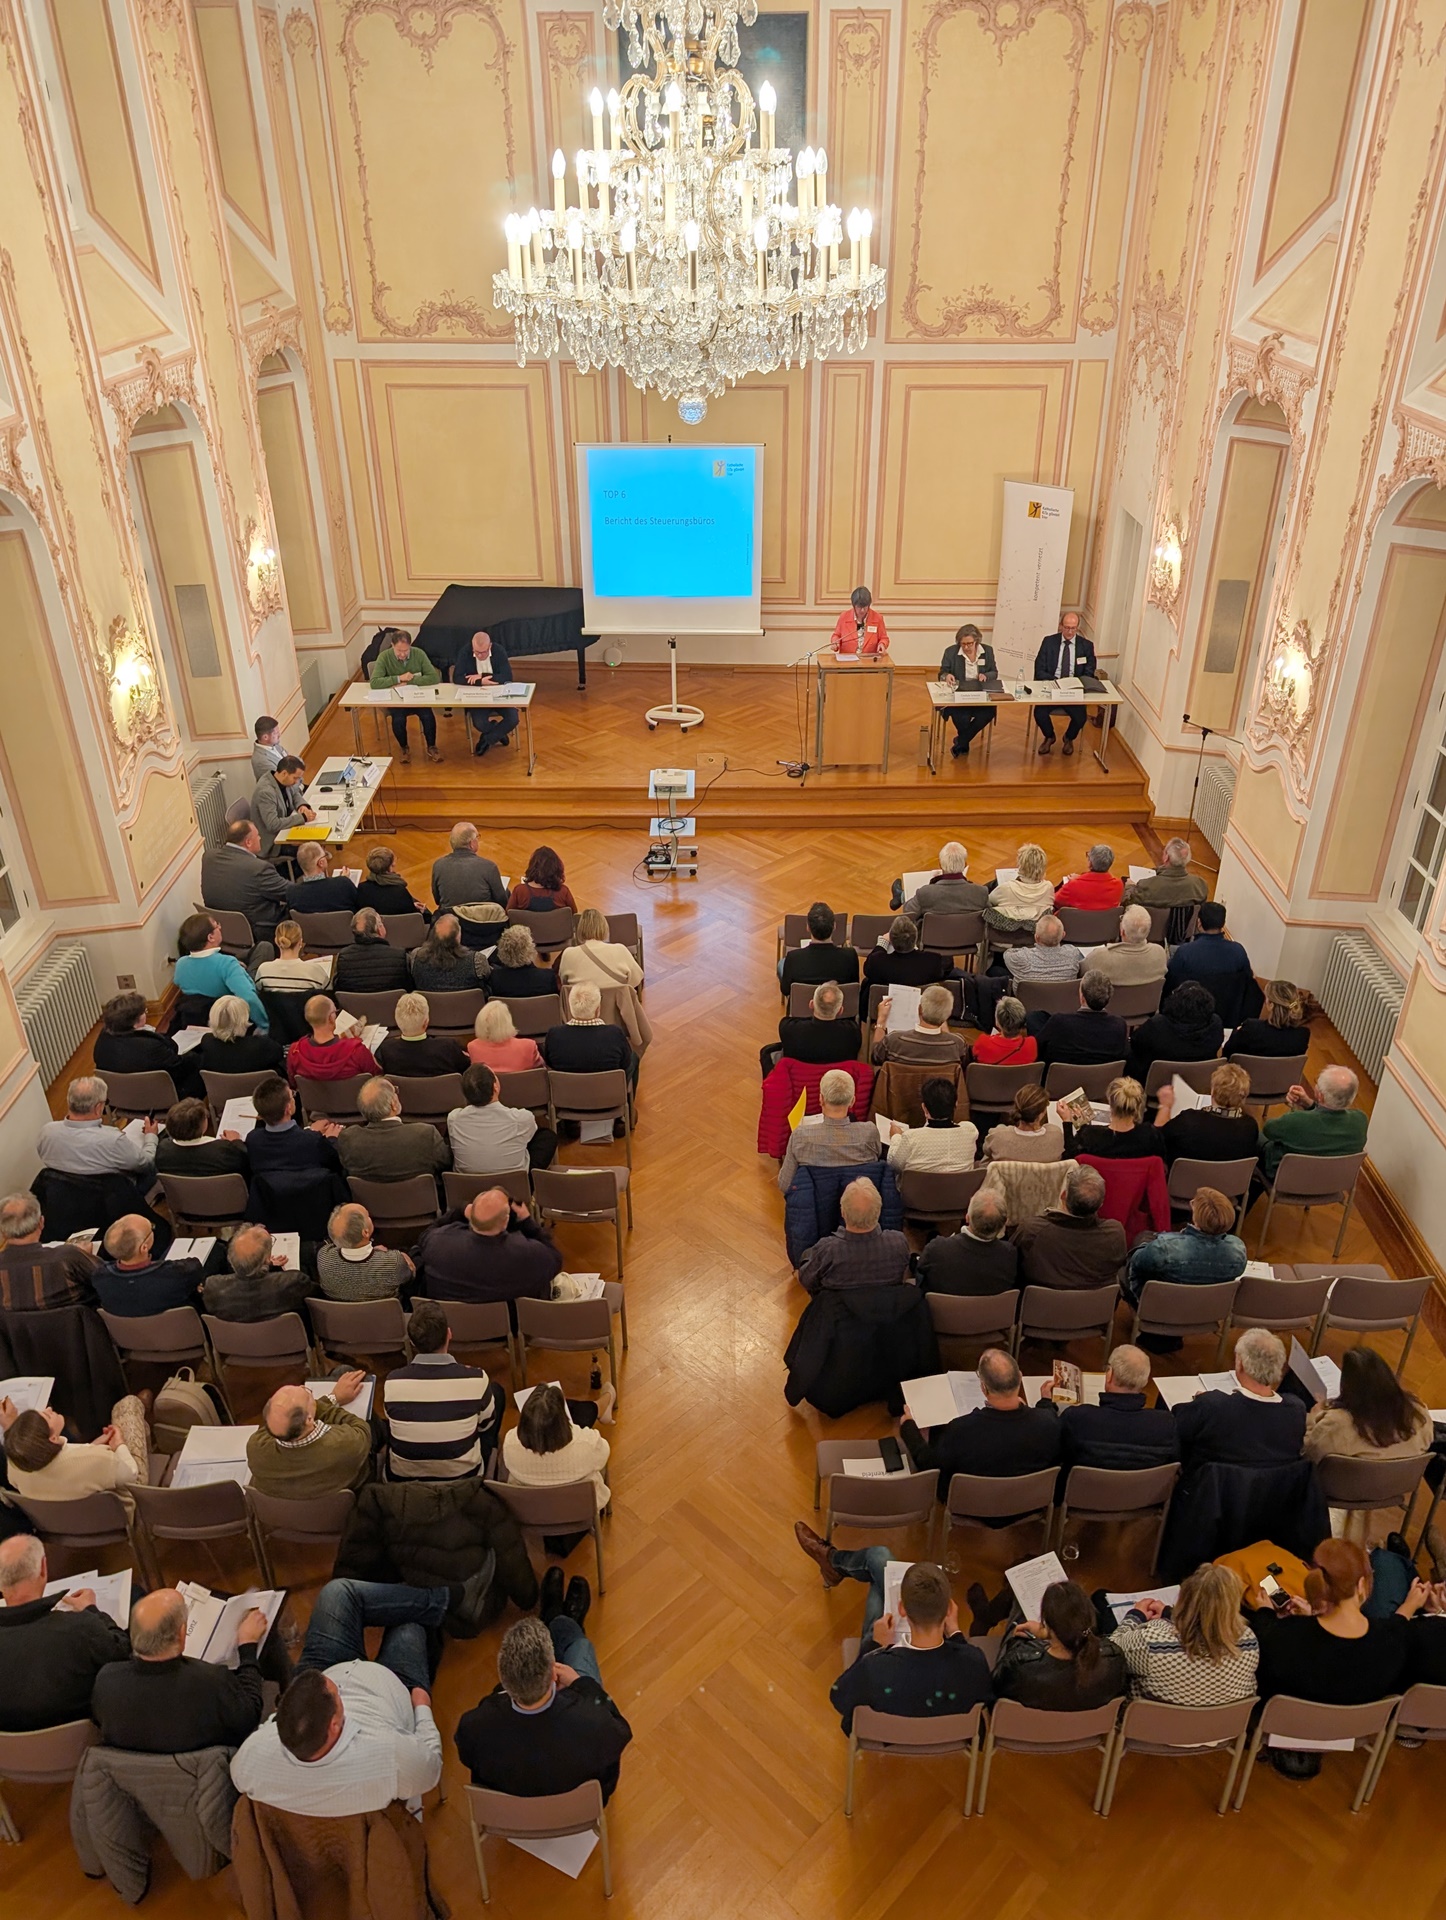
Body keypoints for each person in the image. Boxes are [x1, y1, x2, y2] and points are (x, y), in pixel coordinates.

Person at [229, 1572, 496, 1814]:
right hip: (395, 1687)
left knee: (337, 1593)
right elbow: (430, 1769)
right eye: (336, 1694)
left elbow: (240, 1772)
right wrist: (422, 1708)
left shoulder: (251, 1759)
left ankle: (444, 1597)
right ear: (335, 1725)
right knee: (409, 1623)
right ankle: (449, 1598)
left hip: (327, 1675)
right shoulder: (390, 1757)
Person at [454, 1601, 633, 1803]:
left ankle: (552, 1612)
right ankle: (556, 1616)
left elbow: (468, 1757)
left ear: (504, 1681)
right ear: (554, 1675)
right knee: (577, 1642)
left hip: (513, 1817)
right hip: (577, 1812)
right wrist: (581, 1683)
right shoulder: (596, 1723)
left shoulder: (473, 1726)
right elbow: (621, 1729)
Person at [801, 1548, 993, 1734]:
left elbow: (839, 1697)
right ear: (949, 1610)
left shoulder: (874, 1667)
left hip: (881, 1732)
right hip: (946, 1735)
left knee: (878, 1562)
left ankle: (836, 1563)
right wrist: (956, 1634)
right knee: (879, 1566)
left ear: (902, 1609)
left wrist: (875, 1646)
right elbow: (983, 1693)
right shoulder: (974, 1661)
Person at [1244, 1539, 1421, 1722]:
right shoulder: (1393, 1641)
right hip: (1353, 1730)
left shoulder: (1280, 1636)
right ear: (1361, 1585)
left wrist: (1265, 1611)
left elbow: (1269, 1643)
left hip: (1284, 1727)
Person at [93, 1586, 268, 1753]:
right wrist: (248, 1646)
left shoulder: (106, 1680)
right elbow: (250, 1716)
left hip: (135, 1772)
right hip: (204, 1769)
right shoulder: (212, 1681)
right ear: (182, 1633)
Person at [0, 1536, 129, 1733]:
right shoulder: (80, 1628)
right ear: (43, 1568)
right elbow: (124, 1653)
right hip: (84, 1742)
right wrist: (92, 1610)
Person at [900, 1347, 1062, 1494]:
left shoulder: (960, 1430)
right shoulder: (1048, 1422)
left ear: (983, 1388)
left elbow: (930, 1465)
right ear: (1019, 1377)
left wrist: (908, 1428)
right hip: (1028, 1501)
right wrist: (1046, 1401)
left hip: (971, 1505)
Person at [1110, 1563, 1258, 1705]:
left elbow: (1111, 1654)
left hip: (1151, 1722)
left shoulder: (1151, 1642)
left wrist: (1135, 1616)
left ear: (1184, 1599)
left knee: (1101, 1599)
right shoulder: (1249, 1641)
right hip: (1220, 1723)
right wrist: (1169, 1614)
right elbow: (1208, 1624)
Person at [385, 1300, 503, 1478]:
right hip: (465, 1479)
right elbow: (486, 1425)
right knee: (496, 1393)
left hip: (403, 1480)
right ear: (449, 1334)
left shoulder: (392, 1382)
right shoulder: (477, 1378)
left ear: (412, 1342)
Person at [1173, 1327, 1305, 1470]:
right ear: (1279, 1367)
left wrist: (1200, 1403)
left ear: (1240, 1363)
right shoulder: (1296, 1411)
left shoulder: (1213, 1406)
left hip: (1212, 1482)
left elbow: (1177, 1425)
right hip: (1274, 1484)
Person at [1039, 1344, 1179, 1470]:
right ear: (1145, 1381)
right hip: (1141, 1491)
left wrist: (1046, 1404)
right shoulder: (1166, 1424)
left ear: (1109, 1375)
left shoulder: (1078, 1418)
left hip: (1084, 1489)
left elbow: (1049, 1443)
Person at [413, 1190, 562, 1305]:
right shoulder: (527, 1253)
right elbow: (555, 1259)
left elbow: (425, 1236)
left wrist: (459, 1211)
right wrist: (526, 1221)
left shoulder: (439, 1242)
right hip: (509, 1327)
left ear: (471, 1215)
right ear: (505, 1221)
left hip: (454, 1324)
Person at [994, 1580, 1128, 1704]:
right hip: (1093, 1723)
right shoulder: (1113, 1658)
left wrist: (1022, 1640)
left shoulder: (1020, 1663)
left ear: (1046, 1623)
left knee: (1018, 1619)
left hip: (1031, 1722)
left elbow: (996, 1691)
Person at [1302, 1345, 1434, 1469]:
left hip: (1344, 1485)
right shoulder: (1419, 1413)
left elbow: (1309, 1455)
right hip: (1398, 1483)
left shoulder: (1337, 1424)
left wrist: (1312, 1419)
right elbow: (1426, 1445)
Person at [246, 1377, 373, 1498]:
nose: (303, 1388)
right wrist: (331, 1400)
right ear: (309, 1419)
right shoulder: (345, 1443)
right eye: (307, 1394)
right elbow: (361, 1427)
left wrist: (330, 1399)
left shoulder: (256, 1448)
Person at [5, 1398, 149, 1502]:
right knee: (128, 1404)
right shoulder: (99, 1459)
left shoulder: (15, 1468)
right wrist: (119, 1445)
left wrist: (91, 1447)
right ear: (53, 1439)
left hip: (68, 1523)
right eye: (47, 1416)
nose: (49, 1409)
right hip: (120, 1510)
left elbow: (67, 1463)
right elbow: (130, 1476)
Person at [1010, 1164, 1126, 1291]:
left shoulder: (1032, 1231)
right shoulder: (1114, 1234)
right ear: (1101, 1204)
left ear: (1063, 1195)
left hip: (1042, 1303)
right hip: (1096, 1304)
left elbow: (1009, 1267)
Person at [501, 1382, 611, 1514]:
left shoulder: (510, 1443)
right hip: (579, 1513)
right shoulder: (588, 1443)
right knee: (597, 1463)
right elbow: (604, 1452)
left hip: (530, 1515)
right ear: (563, 1418)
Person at [1123, 1187, 1246, 1303]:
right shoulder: (1237, 1251)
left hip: (1164, 1307)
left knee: (1138, 1246)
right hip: (1209, 1309)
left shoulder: (1163, 1248)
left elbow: (1136, 1264)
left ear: (1196, 1217)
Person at [37, 1074, 159, 1187]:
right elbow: (146, 1163)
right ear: (98, 1107)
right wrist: (151, 1136)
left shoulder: (47, 1132)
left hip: (67, 1194)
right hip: (113, 1195)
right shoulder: (113, 1140)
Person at [797, 1178, 909, 1294]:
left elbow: (806, 1280)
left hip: (838, 1305)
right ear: (879, 1211)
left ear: (843, 1212)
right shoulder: (898, 1242)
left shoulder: (827, 1250)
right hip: (886, 1303)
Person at [778, 1069, 881, 1191]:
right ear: (852, 1101)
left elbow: (784, 1184)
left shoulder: (800, 1136)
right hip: (858, 1198)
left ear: (821, 1099)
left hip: (815, 1200)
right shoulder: (869, 1132)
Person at [1258, 1064, 1367, 1179]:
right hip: (1332, 1181)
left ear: (1320, 1096)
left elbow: (1268, 1130)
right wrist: (1309, 1104)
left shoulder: (1296, 1121)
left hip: (1288, 1178)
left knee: (1255, 1134)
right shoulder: (1360, 1121)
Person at [1164, 902, 1262, 1027]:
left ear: (1199, 922)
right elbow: (1247, 984)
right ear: (1223, 924)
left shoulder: (1185, 953)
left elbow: (1169, 985)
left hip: (1187, 1017)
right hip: (1227, 1018)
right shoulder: (1238, 952)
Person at [335, 1076, 450, 1182]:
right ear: (393, 1104)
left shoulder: (348, 1140)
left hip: (368, 1198)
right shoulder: (425, 1135)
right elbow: (447, 1164)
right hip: (422, 1197)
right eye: (395, 1091)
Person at [93, 990, 203, 1101]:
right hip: (159, 1098)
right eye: (144, 1011)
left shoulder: (103, 1039)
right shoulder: (151, 1046)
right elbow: (179, 1067)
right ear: (135, 1022)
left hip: (120, 1098)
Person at [244, 1074, 346, 1192]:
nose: (294, 1097)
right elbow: (334, 1163)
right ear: (288, 1108)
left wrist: (309, 1132)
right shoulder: (313, 1141)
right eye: (292, 1095)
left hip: (274, 1201)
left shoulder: (253, 1140)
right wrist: (332, 1139)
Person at [448, 1063, 557, 1172]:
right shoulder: (521, 1118)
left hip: (467, 1180)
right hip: (514, 1180)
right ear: (495, 1086)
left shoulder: (453, 1119)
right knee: (547, 1137)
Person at [200, 818, 290, 946]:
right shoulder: (258, 868)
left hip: (221, 930)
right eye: (257, 835)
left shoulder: (209, 857)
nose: (260, 838)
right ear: (248, 842)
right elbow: (290, 893)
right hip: (260, 932)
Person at [1151, 1061, 1260, 1167]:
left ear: (1212, 1091)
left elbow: (1155, 1139)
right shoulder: (1250, 1127)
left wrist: (1165, 1106)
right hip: (1229, 1179)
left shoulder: (1188, 1121)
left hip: (1185, 1177)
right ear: (1243, 1097)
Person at [174, 914, 270, 1033]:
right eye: (216, 925)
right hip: (230, 1014)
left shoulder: (181, 964)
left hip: (200, 1015)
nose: (220, 927)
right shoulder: (226, 964)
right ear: (210, 937)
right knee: (265, 948)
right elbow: (249, 998)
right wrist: (264, 1025)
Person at [92, 1213, 204, 1315]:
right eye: (152, 1228)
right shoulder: (175, 1274)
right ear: (144, 1247)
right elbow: (195, 1268)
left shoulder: (100, 1278)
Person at [0, 1192, 97, 1309]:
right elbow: (109, 1280)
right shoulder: (69, 1257)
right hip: (75, 1320)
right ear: (41, 1222)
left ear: (2, 1230)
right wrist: (85, 1255)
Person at [913, 1190, 1017, 1295]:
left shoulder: (937, 1249)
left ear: (967, 1218)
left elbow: (921, 1269)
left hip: (942, 1305)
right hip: (992, 1306)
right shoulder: (1010, 1255)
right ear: (1004, 1224)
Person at [203, 1223, 313, 1322]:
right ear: (267, 1259)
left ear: (231, 1260)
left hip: (234, 1338)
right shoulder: (294, 1282)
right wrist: (272, 1267)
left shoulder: (213, 1288)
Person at [1127, 981, 1223, 1084]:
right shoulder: (1215, 1025)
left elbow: (1135, 1042)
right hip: (1200, 1084)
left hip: (1155, 1084)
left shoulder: (1157, 1026)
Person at [544, 980, 637, 1087]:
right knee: (634, 1058)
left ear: (571, 1007)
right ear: (598, 1010)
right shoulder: (615, 1034)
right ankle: (626, 1095)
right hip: (607, 1093)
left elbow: (549, 1063)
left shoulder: (554, 1035)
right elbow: (625, 1064)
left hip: (566, 1094)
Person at [369, 628, 442, 762]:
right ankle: (404, 747)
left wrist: (410, 680)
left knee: (428, 716)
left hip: (417, 697)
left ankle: (432, 746)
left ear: (410, 646)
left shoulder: (419, 654)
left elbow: (434, 677)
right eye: (399, 651)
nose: (403, 654)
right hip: (398, 700)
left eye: (406, 650)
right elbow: (374, 682)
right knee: (398, 719)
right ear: (392, 645)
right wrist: (398, 678)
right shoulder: (384, 657)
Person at [317, 1203, 413, 1301]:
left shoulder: (324, 1257)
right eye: (368, 1216)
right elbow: (409, 1277)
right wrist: (401, 1257)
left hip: (339, 1311)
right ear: (365, 1232)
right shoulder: (393, 1262)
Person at [1031, 613, 1097, 755]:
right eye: (1067, 628)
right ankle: (1049, 736)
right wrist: (1056, 681)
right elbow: (1039, 669)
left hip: (1073, 691)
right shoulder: (1049, 642)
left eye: (1073, 628)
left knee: (1080, 717)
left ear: (1077, 628)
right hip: (1052, 688)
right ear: (1061, 626)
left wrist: (1075, 683)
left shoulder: (1086, 646)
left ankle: (1069, 737)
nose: (1070, 632)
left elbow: (1089, 671)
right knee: (1039, 713)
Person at [886, 1075, 979, 1173]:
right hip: (961, 1183)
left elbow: (894, 1165)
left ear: (924, 1108)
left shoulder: (911, 1137)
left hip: (920, 1184)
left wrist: (896, 1137)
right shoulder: (970, 1131)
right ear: (956, 1104)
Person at [1038, 971, 1130, 1068]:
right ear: (1108, 997)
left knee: (1036, 1019)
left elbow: (1037, 1048)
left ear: (1082, 997)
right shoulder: (1118, 1026)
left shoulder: (1059, 1022)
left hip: (1061, 1076)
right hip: (1104, 1077)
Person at [1065, 1074, 1164, 1160]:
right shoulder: (1150, 1135)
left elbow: (1070, 1158)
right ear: (1138, 1105)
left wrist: (1067, 1122)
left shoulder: (1090, 1135)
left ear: (1110, 1102)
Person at [869, 983, 968, 1068]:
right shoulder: (958, 1044)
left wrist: (881, 1021)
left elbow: (875, 1057)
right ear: (948, 1015)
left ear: (920, 1009)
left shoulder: (893, 1040)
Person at [772, 980, 863, 1072]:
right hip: (835, 1079)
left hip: (800, 1078)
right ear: (840, 1010)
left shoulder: (789, 1028)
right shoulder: (852, 1032)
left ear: (811, 1004)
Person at [937, 623, 999, 756]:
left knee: (987, 713)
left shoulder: (987, 651)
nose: (966, 647)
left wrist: (986, 676)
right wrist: (946, 676)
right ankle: (963, 743)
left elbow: (994, 672)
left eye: (969, 644)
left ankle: (961, 741)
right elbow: (942, 673)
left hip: (980, 695)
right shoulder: (951, 652)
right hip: (960, 696)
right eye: (963, 644)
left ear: (976, 641)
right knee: (961, 718)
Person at [454, 630, 519, 756]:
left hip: (499, 695)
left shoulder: (499, 651)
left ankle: (487, 740)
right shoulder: (465, 652)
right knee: (480, 723)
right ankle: (498, 733)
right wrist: (481, 682)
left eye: (483, 652)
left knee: (513, 718)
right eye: (476, 652)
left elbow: (507, 677)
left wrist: (481, 676)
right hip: (477, 697)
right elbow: (457, 677)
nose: (480, 656)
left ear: (490, 646)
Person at [376, 992, 469, 1080]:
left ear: (397, 1021)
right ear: (426, 1023)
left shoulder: (385, 1051)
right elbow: (466, 1071)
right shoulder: (448, 1048)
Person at [287, 995, 380, 1083]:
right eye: (335, 1012)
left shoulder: (295, 1052)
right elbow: (377, 1079)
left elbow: (293, 1083)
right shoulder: (357, 1051)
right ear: (331, 1018)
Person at [780, 902, 860, 1000]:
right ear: (834, 926)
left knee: (781, 965)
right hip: (838, 1008)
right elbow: (853, 988)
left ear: (808, 927)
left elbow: (785, 990)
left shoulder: (794, 958)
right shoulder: (850, 956)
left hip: (802, 1009)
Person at [194, 995, 287, 1079]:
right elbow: (279, 1053)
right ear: (244, 1021)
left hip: (219, 1092)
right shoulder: (262, 1046)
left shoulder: (207, 1042)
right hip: (257, 1091)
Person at [558, 907, 644, 997]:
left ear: (579, 929)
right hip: (618, 1004)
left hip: (583, 1005)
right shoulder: (620, 950)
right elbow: (636, 979)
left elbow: (564, 982)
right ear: (605, 928)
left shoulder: (568, 954)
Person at [1226, 977, 1312, 1061]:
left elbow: (1228, 1054)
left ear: (1271, 1005)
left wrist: (1237, 1034)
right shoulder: (1302, 1035)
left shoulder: (1251, 1028)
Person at [861, 914, 948, 994]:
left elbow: (868, 967)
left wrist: (882, 943)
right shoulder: (933, 961)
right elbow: (948, 964)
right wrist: (916, 949)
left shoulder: (877, 963)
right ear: (915, 938)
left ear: (892, 939)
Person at [431, 821, 507, 911]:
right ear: (471, 843)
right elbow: (502, 901)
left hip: (450, 917)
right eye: (477, 837)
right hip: (481, 918)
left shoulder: (438, 866)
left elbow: (437, 900)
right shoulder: (489, 867)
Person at [902, 842, 990, 918]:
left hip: (935, 933)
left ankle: (900, 896)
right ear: (965, 865)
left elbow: (907, 911)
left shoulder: (925, 893)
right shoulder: (980, 893)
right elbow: (992, 917)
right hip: (970, 933)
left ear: (940, 865)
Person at [332, 908, 409, 994]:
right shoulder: (400, 956)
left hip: (353, 1003)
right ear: (379, 930)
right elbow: (409, 988)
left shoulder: (342, 958)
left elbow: (337, 990)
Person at [1122, 836, 1210, 910]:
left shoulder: (1146, 886)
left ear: (1166, 857)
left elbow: (1127, 902)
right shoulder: (1200, 886)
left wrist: (1130, 887)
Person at [981, 1084, 1064, 1163]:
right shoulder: (1056, 1135)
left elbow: (986, 1152)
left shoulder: (997, 1136)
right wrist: (1067, 1121)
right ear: (1042, 1113)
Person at [252, 754, 315, 857]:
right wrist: (303, 817)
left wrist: (302, 806)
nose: (297, 782)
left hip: (285, 827)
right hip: (272, 842)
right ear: (285, 773)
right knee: (311, 848)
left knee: (314, 840)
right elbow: (273, 824)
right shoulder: (266, 792)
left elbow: (294, 793)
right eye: (295, 778)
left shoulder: (282, 779)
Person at [408, 910, 490, 989]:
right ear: (457, 937)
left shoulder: (416, 957)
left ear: (432, 935)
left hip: (426, 999)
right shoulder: (477, 962)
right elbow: (487, 977)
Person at [1092, 902, 1167, 988]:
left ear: (1122, 931)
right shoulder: (1160, 954)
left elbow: (1081, 971)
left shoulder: (1099, 957)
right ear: (1147, 932)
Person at [254, 918, 334, 995]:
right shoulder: (315, 971)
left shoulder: (263, 970)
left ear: (276, 941)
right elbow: (330, 998)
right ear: (300, 942)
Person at [1000, 913, 1084, 985]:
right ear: (1063, 935)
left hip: (1028, 999)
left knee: (996, 970)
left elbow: (1007, 954)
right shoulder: (1073, 953)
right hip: (1063, 998)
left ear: (1036, 938)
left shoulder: (1022, 957)